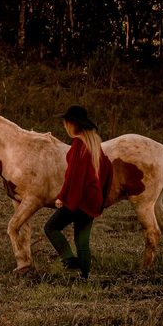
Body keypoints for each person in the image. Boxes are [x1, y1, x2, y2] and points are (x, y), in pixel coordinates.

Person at [44, 105, 113, 280]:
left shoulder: (78, 145)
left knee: (51, 227)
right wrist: (100, 195)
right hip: (92, 199)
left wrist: (63, 197)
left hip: (78, 198)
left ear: (74, 124)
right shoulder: (95, 145)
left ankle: (69, 260)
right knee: (82, 240)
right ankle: (85, 276)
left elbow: (74, 175)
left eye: (66, 122)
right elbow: (108, 171)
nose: (64, 126)